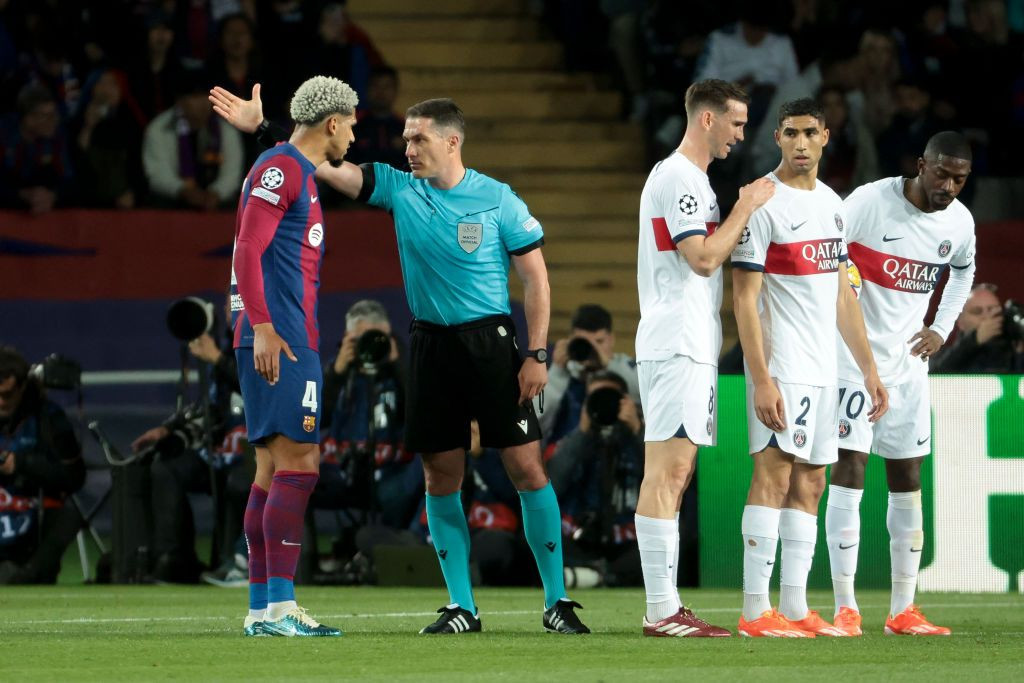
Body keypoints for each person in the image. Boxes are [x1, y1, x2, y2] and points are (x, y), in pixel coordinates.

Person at [208, 84, 590, 635]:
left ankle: (557, 600)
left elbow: (536, 278)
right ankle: (462, 606)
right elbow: (319, 165)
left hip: (492, 343)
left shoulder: (498, 198)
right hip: (429, 345)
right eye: (406, 138)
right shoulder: (396, 186)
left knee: (526, 466)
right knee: (440, 474)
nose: (406, 147)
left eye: (418, 138)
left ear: (452, 141)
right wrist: (268, 134)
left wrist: (536, 351)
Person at [731, 97, 887, 638]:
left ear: (826, 137)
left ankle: (794, 608)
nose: (801, 143)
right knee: (773, 474)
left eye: (810, 133)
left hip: (825, 368)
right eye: (791, 133)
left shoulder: (833, 205)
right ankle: (755, 609)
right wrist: (763, 377)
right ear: (777, 137)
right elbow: (744, 298)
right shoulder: (762, 203)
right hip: (785, 365)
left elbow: (844, 295)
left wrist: (867, 369)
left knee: (812, 482)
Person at [634, 79, 774, 638]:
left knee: (677, 470)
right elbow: (702, 258)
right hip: (676, 343)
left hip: (687, 344)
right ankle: (661, 611)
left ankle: (665, 608)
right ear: (708, 119)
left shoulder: (689, 181)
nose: (742, 135)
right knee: (667, 471)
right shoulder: (681, 179)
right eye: (736, 123)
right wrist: (744, 208)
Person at [828, 131, 979, 636]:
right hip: (853, 359)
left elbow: (963, 272)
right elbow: (826, 250)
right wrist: (845, 281)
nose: (949, 186)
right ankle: (846, 606)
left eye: (959, 178)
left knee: (907, 477)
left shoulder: (959, 223)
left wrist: (941, 326)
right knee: (850, 467)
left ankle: (902, 610)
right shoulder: (871, 201)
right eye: (942, 174)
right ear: (922, 165)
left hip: (910, 366)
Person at [229, 75, 358, 638]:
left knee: (270, 469)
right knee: (301, 464)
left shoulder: (292, 170)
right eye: (351, 123)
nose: (354, 134)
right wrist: (261, 325)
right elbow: (247, 247)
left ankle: (262, 609)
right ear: (332, 123)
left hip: (278, 332)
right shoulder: (281, 170)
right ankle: (282, 608)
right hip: (279, 336)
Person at [549, 370, 645, 588]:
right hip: (579, 539)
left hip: (627, 542)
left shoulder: (637, 439)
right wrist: (582, 434)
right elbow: (553, 484)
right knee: (539, 540)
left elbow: (659, 477)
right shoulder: (575, 438)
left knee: (657, 550)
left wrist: (637, 430)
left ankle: (591, 577)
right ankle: (604, 577)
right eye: (595, 397)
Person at [0, 347, 85, 584]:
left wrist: (22, 464)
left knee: (69, 514)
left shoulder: (48, 418)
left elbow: (74, 477)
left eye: (7, 395)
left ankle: (27, 576)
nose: (1, 402)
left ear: (22, 387)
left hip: (33, 512)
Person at [142, 67, 243, 210]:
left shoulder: (226, 130)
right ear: (180, 101)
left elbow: (231, 175)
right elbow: (157, 174)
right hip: (172, 200)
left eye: (206, 96)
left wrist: (216, 193)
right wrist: (183, 191)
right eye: (195, 97)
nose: (203, 103)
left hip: (215, 203)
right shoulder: (159, 128)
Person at [541, 303, 640, 450]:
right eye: (585, 343)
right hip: (568, 458)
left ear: (611, 339)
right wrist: (557, 373)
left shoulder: (628, 368)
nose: (593, 350)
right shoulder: (562, 372)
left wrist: (608, 367)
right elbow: (536, 421)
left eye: (599, 342)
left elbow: (645, 401)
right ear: (571, 340)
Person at [930, 283, 1024, 373]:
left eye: (993, 309)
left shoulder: (1015, 351)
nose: (987, 316)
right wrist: (974, 339)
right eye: (977, 311)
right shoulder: (941, 357)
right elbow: (935, 376)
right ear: (960, 322)